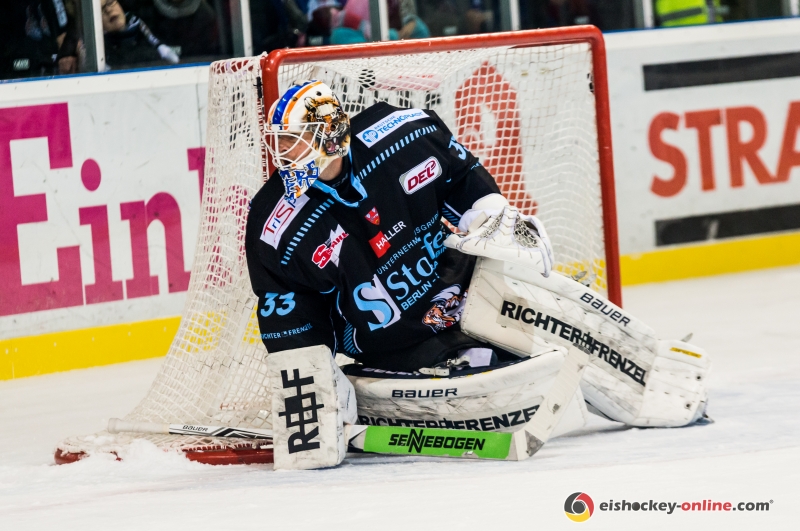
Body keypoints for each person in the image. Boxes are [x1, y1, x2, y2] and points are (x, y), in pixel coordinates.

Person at [246, 81, 712, 468]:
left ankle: (655, 375)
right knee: (515, 372)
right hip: (391, 339)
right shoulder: (275, 224)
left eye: (293, 139)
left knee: (559, 317)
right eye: (278, 141)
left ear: (331, 136)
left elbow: (460, 174)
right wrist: (313, 375)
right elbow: (287, 305)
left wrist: (491, 210)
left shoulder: (403, 136)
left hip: (458, 286)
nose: (282, 153)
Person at [101, 0, 179, 68]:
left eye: (110, 2)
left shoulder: (148, 27)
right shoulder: (101, 53)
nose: (108, 10)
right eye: (101, 9)